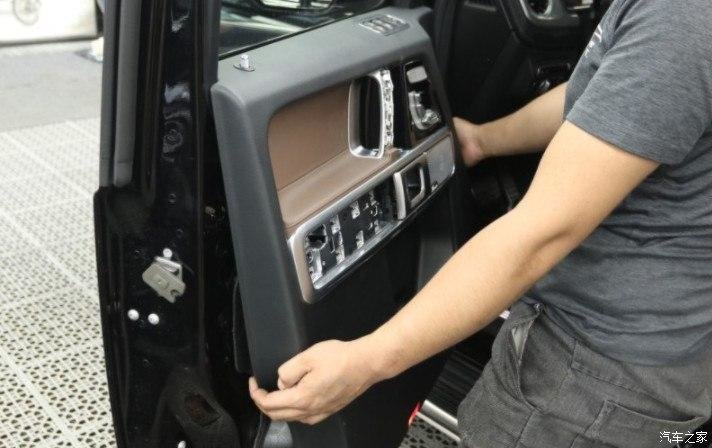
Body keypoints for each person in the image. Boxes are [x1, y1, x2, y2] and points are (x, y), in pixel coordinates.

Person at [249, 0, 712, 445]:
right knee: (670, 438)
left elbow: (541, 234)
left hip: (593, 378)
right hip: (673, 352)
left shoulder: (679, 16)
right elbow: (604, 95)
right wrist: (484, 141)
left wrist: (366, 361)